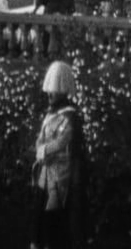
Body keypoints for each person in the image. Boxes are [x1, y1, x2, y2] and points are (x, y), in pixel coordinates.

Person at [30, 61, 86, 249]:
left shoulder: (70, 117)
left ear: (62, 90)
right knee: (39, 213)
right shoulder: (50, 114)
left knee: (54, 218)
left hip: (60, 176)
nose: (49, 94)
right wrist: (40, 150)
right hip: (45, 173)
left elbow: (62, 141)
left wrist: (43, 151)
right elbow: (41, 138)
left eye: (53, 90)